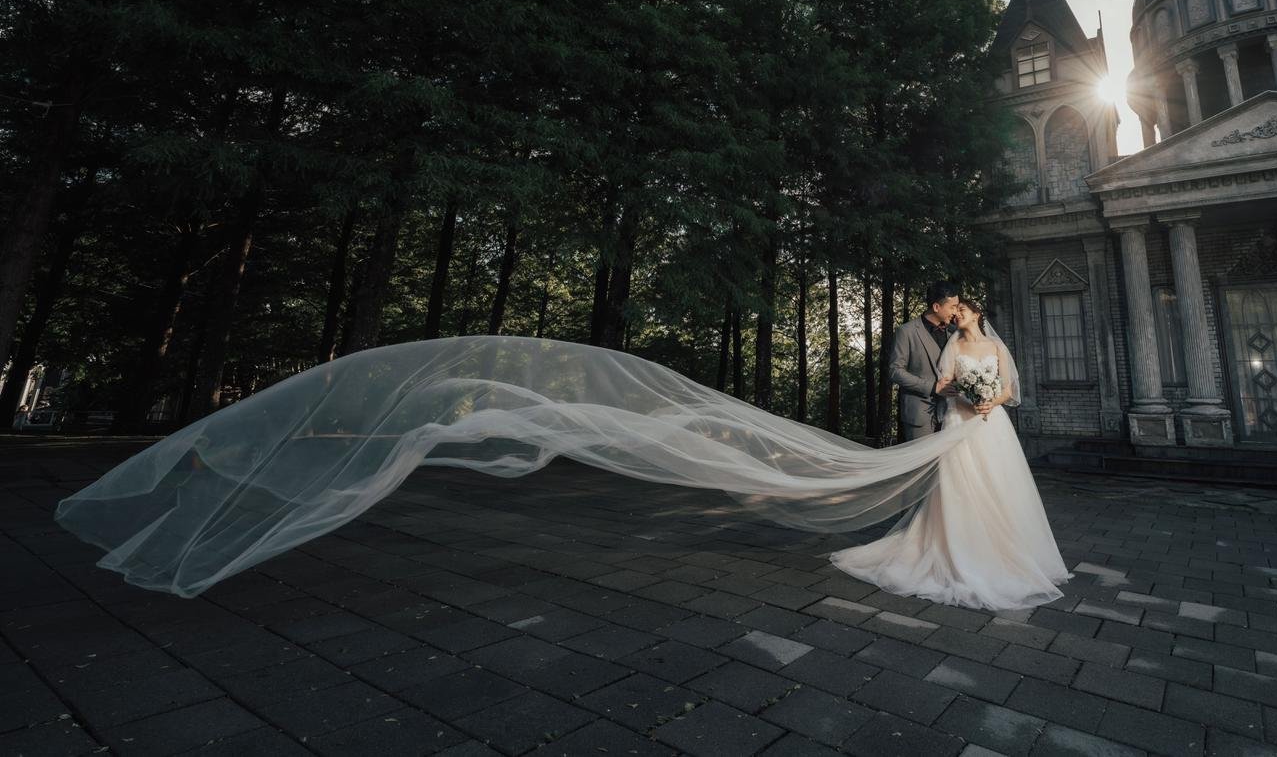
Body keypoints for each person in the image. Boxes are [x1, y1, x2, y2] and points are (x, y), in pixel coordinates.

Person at [56, 299, 1069, 611]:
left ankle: (996, 560)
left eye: (954, 314)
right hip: (948, 426)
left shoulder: (987, 346)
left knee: (993, 507)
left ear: (966, 316)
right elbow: (921, 381)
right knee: (941, 510)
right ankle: (947, 559)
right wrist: (942, 390)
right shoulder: (929, 348)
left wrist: (984, 394)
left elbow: (1011, 385)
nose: (948, 318)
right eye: (946, 317)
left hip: (990, 437)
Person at [830, 297, 1072, 609]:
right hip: (959, 419)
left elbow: (1009, 389)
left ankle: (1004, 550)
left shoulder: (997, 347)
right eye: (954, 312)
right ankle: (957, 548)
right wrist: (966, 395)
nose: (957, 316)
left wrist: (989, 401)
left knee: (998, 483)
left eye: (962, 311)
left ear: (977, 314)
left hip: (991, 423)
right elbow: (944, 382)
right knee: (959, 485)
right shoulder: (954, 346)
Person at [889, 281, 961, 441]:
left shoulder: (955, 332)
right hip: (919, 416)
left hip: (952, 413)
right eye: (953, 307)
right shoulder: (906, 332)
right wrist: (933, 387)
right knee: (924, 466)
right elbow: (895, 371)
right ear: (936, 307)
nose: (956, 312)